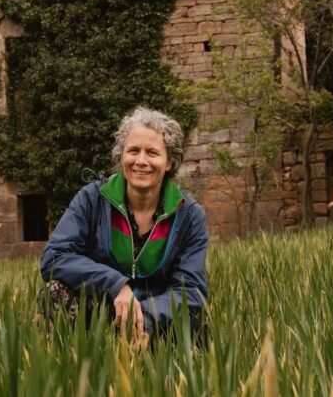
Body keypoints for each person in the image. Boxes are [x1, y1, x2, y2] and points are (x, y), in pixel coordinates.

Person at [39, 107, 209, 346]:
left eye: (152, 153)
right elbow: (54, 257)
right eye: (133, 151)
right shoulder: (91, 199)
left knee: (194, 320)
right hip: (100, 310)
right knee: (54, 291)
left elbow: (192, 290)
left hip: (156, 321)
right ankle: (71, 369)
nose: (141, 161)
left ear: (169, 162)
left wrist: (144, 317)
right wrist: (116, 285)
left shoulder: (189, 215)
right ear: (121, 156)